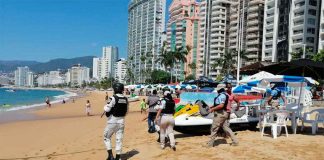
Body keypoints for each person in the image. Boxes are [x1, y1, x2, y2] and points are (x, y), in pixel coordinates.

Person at [103, 83, 128, 160]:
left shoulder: (113, 98)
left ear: (115, 89)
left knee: (106, 137)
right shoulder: (125, 99)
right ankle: (118, 157)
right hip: (121, 122)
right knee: (119, 140)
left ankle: (110, 156)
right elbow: (126, 111)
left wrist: (105, 106)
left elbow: (107, 109)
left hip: (112, 121)